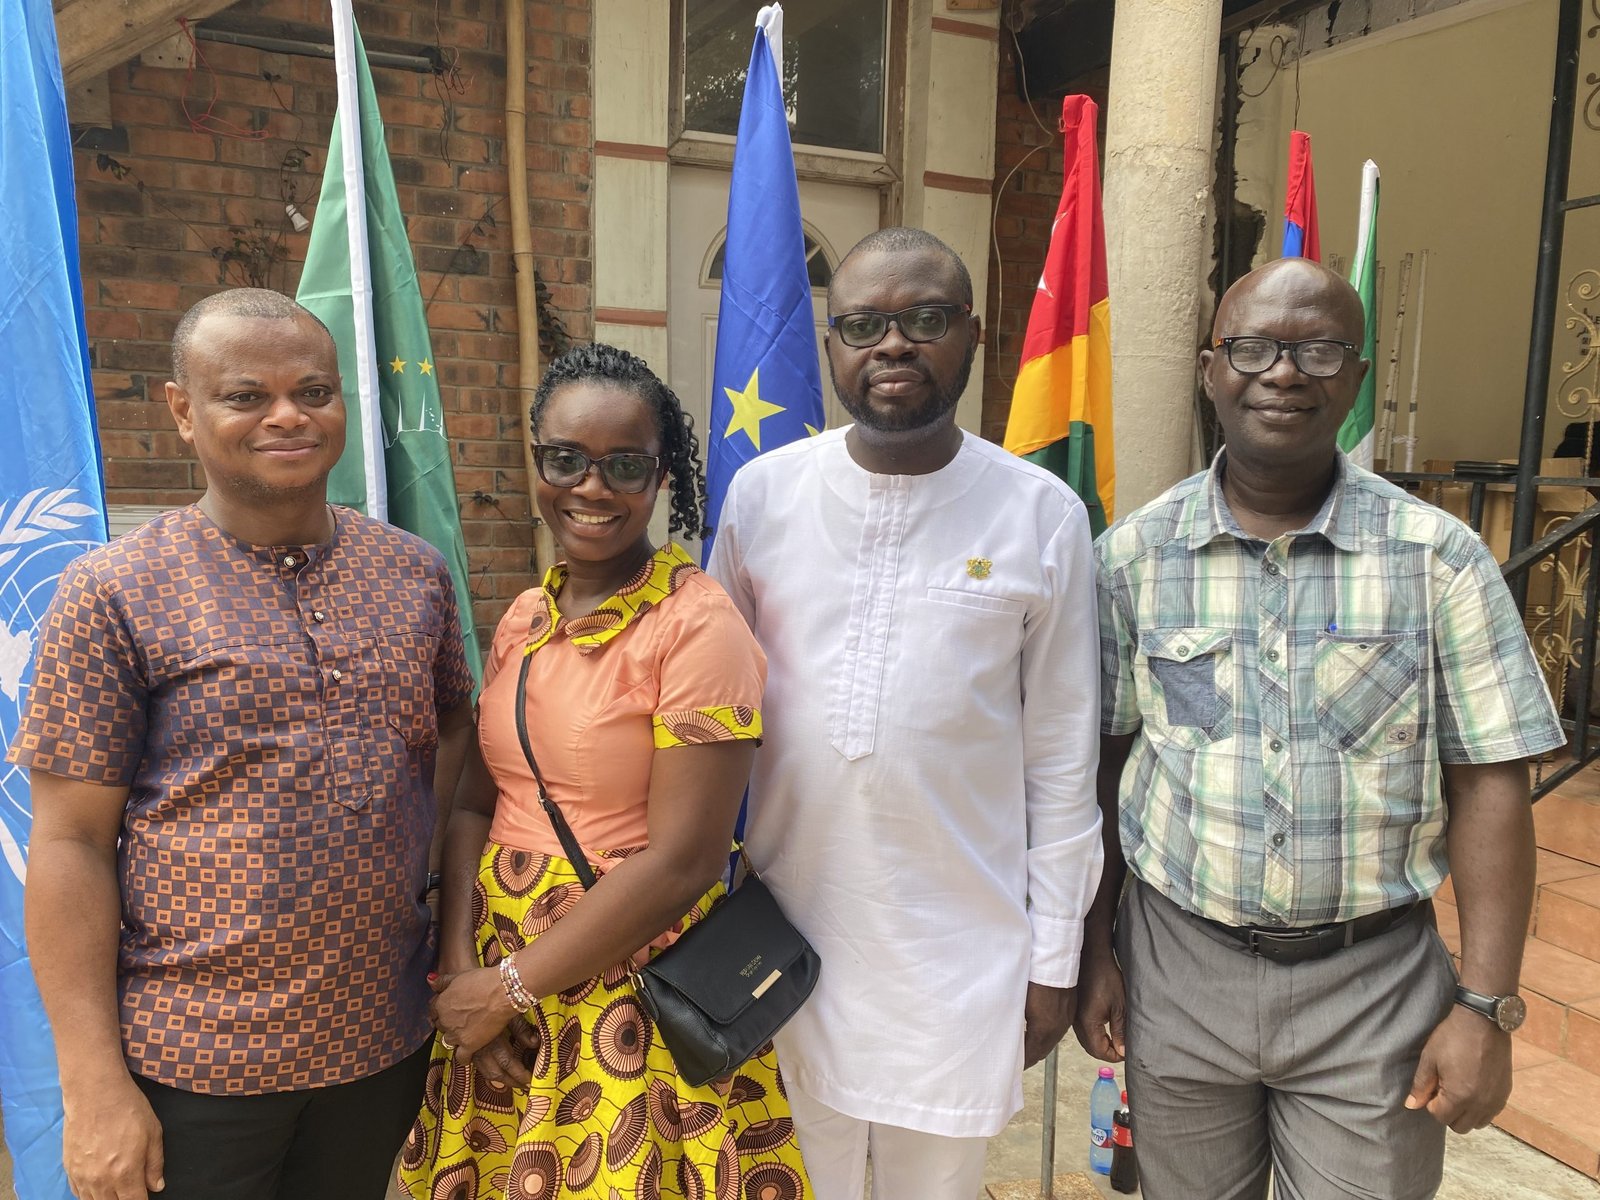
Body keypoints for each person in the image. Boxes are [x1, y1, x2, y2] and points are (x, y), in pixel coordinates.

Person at [1079, 257, 1566, 1199]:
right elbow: (1102, 767)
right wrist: (1093, 950)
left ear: (1357, 376)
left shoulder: (1439, 559)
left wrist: (1486, 1005)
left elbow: (1490, 781)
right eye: (1252, 348)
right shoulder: (1133, 559)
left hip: (1373, 987)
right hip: (1178, 971)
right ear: (1210, 370)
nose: (1284, 372)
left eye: (1319, 350)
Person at [9, 288, 476, 1200]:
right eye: (246, 396)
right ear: (183, 411)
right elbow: (68, 843)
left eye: (314, 391)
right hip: (193, 1062)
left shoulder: (413, 574)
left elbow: (455, 723)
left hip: (377, 1047)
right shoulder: (114, 592)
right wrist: (92, 1083)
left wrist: (408, 870)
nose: (288, 416)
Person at [706, 227, 1103, 1199]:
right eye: (862, 325)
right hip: (781, 946)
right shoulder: (764, 497)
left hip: (955, 961)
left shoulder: (1040, 514)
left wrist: (1053, 959)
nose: (892, 345)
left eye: (925, 319)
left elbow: (1062, 760)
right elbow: (708, 721)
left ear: (972, 334)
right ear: (831, 344)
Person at [402, 344, 812, 1200]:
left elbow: (685, 862)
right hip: (497, 969)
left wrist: (509, 990)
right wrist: (464, 976)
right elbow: (475, 803)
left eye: (625, 465)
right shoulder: (527, 616)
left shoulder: (697, 628)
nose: (591, 487)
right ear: (537, 462)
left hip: (624, 978)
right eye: (566, 459)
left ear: (663, 478)